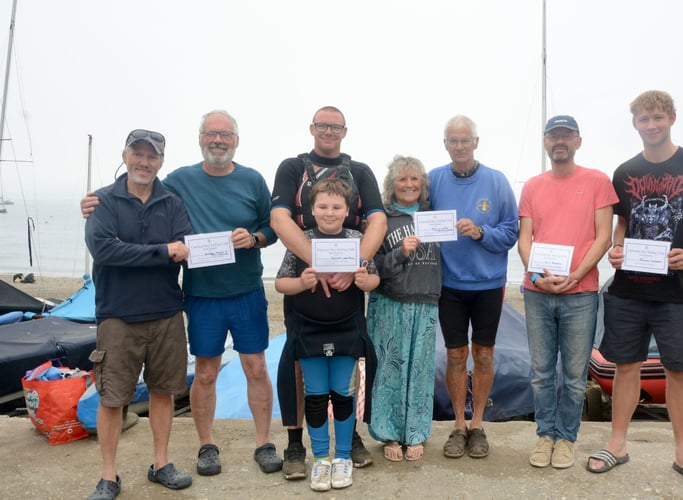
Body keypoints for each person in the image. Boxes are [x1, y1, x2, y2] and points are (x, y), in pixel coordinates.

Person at [81, 110, 282, 476]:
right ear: (200, 138)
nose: (217, 140)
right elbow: (137, 191)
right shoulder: (178, 181)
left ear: (236, 140)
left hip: (247, 290)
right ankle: (207, 446)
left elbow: (273, 226)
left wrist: (255, 238)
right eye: (210, 134)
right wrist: (93, 204)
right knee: (205, 373)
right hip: (201, 293)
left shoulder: (253, 179)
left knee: (256, 367)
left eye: (225, 135)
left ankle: (263, 443)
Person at [586, 91, 683, 489]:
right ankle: (617, 443)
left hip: (679, 288)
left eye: (658, 118)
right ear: (635, 123)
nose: (651, 125)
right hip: (630, 288)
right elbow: (624, 224)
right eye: (644, 119)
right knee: (624, 365)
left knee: (680, 371)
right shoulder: (624, 171)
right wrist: (616, 249)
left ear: (672, 119)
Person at [271, 105, 386, 478]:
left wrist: (356, 267)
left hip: (347, 281)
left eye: (335, 126)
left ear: (345, 131)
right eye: (323, 125)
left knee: (344, 376)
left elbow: (378, 219)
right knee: (300, 369)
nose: (328, 131)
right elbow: (279, 218)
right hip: (307, 274)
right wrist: (315, 261)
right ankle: (294, 444)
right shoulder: (292, 167)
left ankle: (347, 442)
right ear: (312, 128)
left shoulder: (360, 171)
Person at [85, 130, 193, 499]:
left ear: (161, 162)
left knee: (164, 393)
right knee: (112, 398)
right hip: (117, 316)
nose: (144, 162)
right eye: (138, 154)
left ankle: (161, 464)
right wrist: (162, 252)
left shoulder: (173, 202)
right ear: (125, 156)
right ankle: (108, 476)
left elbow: (186, 246)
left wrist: (160, 251)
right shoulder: (102, 201)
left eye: (152, 156)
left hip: (166, 313)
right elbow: (105, 251)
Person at [517, 115, 618, 469]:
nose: (559, 141)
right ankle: (546, 435)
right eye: (553, 136)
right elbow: (525, 238)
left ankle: (567, 438)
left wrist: (576, 276)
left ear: (577, 141)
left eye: (565, 136)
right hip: (537, 290)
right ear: (545, 142)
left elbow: (604, 235)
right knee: (541, 371)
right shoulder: (532, 185)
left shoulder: (597, 181)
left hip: (581, 293)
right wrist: (535, 274)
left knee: (575, 376)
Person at [428, 115, 518, 459]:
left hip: (488, 284)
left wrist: (482, 233)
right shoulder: (434, 179)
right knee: (454, 354)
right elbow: (416, 219)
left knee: (483, 354)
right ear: (446, 144)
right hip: (448, 283)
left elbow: (511, 232)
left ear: (476, 142)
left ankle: (478, 423)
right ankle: (458, 425)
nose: (460, 146)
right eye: (453, 141)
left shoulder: (496, 181)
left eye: (466, 140)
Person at [366, 155, 442, 462]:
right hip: (389, 303)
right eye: (402, 179)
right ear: (391, 185)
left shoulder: (435, 215)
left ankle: (415, 433)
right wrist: (400, 253)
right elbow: (372, 267)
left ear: (422, 184)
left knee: (421, 371)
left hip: (426, 302)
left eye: (414, 179)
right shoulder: (381, 219)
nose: (409, 184)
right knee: (388, 371)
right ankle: (388, 434)